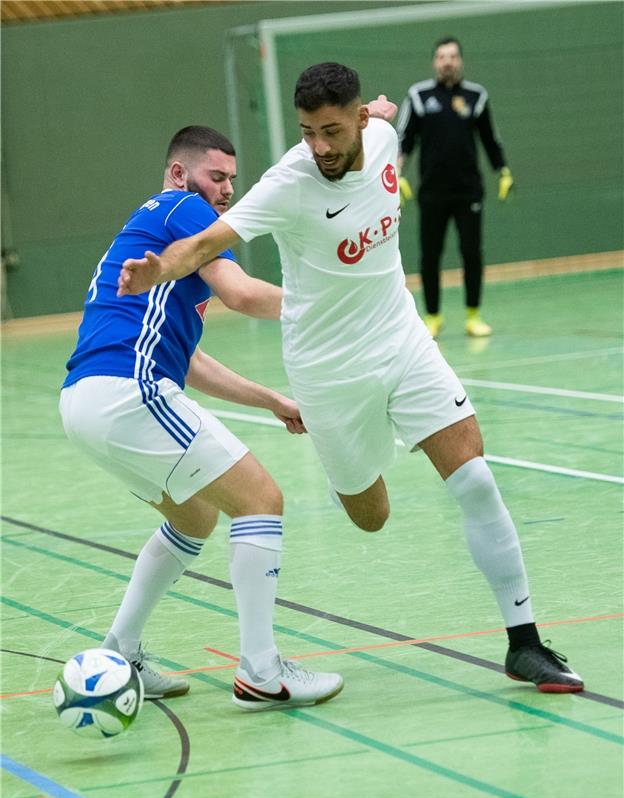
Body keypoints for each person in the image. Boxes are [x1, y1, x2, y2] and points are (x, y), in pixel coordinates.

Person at [118, 64, 583, 694]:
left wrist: (382, 113)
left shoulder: (385, 138)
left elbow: (386, 119)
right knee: (372, 515)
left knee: (474, 475)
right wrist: (157, 270)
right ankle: (360, 461)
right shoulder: (288, 182)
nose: (322, 147)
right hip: (328, 371)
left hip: (401, 340)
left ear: (361, 118)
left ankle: (524, 642)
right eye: (308, 132)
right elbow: (206, 243)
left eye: (332, 130)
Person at [60, 125, 344, 711]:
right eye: (217, 177)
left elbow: (187, 360)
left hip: (86, 402)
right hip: (128, 392)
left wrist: (273, 399)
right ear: (178, 174)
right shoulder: (183, 209)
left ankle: (123, 651)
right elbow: (240, 294)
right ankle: (262, 672)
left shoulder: (156, 234)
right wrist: (334, 305)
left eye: (232, 181)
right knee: (260, 499)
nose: (225, 191)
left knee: (194, 517)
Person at [396, 37, 514, 338]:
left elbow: (490, 138)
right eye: (440, 56)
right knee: (430, 255)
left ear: (460, 60)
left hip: (468, 192)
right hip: (432, 193)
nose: (446, 61)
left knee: (472, 253)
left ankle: (473, 316)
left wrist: (502, 171)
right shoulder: (420, 96)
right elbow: (404, 139)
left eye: (452, 56)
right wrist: (395, 173)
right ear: (434, 62)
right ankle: (432, 317)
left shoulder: (476, 96)